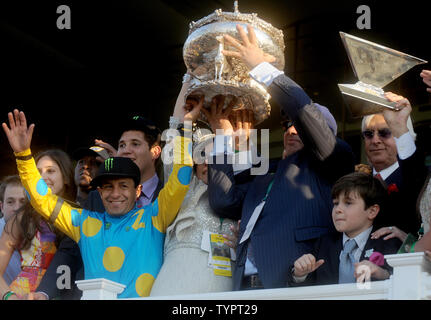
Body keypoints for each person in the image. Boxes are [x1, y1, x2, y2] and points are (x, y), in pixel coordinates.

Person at [207, 24, 355, 290]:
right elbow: (223, 200)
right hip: (244, 283)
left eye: (301, 127)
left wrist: (262, 69)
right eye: (287, 125)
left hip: (296, 281)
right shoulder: (266, 171)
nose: (292, 129)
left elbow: (306, 114)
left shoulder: (333, 160)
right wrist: (222, 136)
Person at [2, 107, 196, 298]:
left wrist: (185, 127)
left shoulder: (155, 216)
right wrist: (24, 156)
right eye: (108, 187)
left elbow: (180, 181)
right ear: (100, 192)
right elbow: (43, 200)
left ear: (138, 191)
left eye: (123, 185)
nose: (115, 193)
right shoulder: (83, 223)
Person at [150, 81, 236, 296]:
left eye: (215, 157)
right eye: (202, 157)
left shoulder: (236, 196)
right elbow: (175, 131)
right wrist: (188, 81)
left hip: (223, 285)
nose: (208, 163)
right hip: (177, 279)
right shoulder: (183, 188)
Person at [289, 172, 401, 286]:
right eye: (336, 203)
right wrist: (299, 275)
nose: (338, 209)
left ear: (372, 211)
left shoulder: (388, 243)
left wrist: (382, 273)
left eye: (348, 203)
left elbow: (404, 282)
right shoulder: (323, 244)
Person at [33, 146, 108, 300]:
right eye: (81, 162)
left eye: (94, 163)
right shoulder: (58, 210)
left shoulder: (111, 211)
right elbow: (67, 253)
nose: (85, 166)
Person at [0, 149, 76, 299]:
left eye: (50, 171)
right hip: (24, 295)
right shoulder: (22, 217)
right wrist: (9, 296)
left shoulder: (79, 215)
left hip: (67, 292)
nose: (43, 177)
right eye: (38, 172)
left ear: (66, 177)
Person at [360, 92, 428, 240]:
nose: (375, 140)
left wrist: (398, 126)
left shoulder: (415, 176)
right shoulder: (356, 180)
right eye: (369, 134)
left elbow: (413, 170)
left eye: (384, 133)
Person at [0, 176, 25, 285]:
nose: (16, 208)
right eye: (10, 202)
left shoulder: (45, 234)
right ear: (1, 207)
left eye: (23, 202)